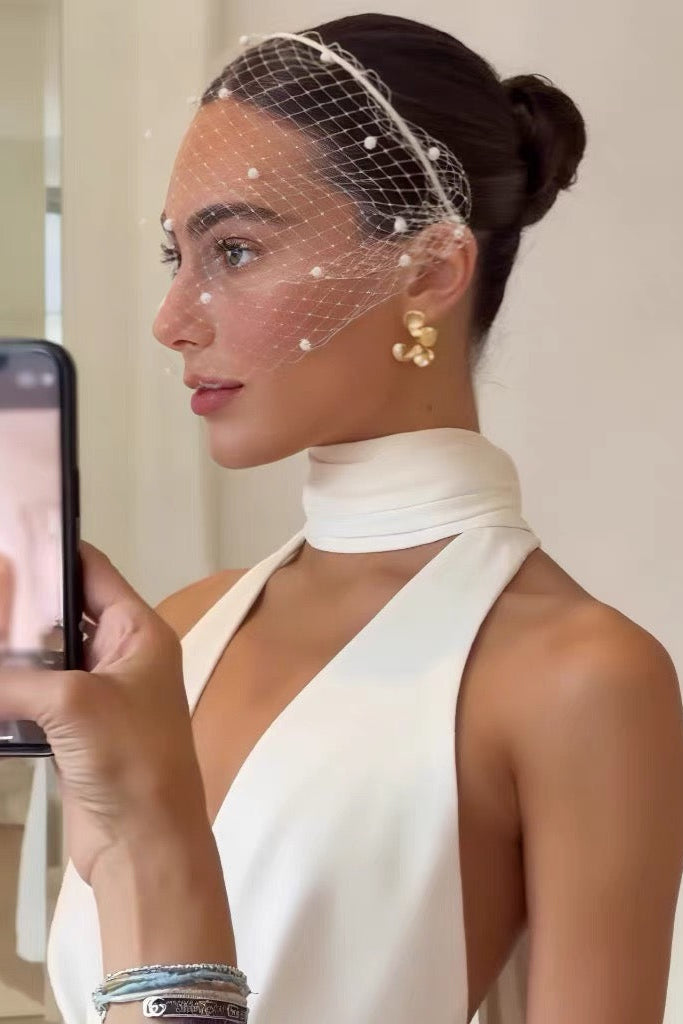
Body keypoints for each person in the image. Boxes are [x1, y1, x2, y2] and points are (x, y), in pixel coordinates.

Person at [0, 13, 681, 1024]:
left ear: (430, 271)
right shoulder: (171, 631)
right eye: (173, 254)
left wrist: (158, 846)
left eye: (232, 248)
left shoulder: (579, 678)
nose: (171, 315)